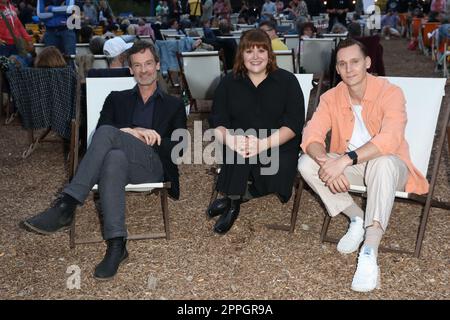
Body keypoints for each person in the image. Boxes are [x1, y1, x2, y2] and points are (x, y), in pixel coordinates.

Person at [22, 40, 187, 280]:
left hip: (153, 166)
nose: (143, 70)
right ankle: (117, 244)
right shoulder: (116, 98)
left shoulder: (172, 105)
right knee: (113, 158)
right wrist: (132, 131)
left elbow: (180, 149)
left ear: (157, 65)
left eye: (148, 64)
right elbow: (99, 137)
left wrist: (157, 138)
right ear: (130, 69)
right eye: (137, 65)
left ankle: (67, 205)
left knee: (111, 134)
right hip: (121, 162)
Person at [298, 38, 428, 292]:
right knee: (306, 163)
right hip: (353, 169)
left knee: (381, 162)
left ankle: (369, 250)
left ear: (367, 63)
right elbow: (310, 136)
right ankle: (357, 218)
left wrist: (344, 161)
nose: (349, 69)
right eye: (342, 64)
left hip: (392, 168)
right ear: (337, 69)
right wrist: (326, 163)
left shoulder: (389, 92)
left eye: (355, 62)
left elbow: (390, 139)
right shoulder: (330, 97)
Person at [207, 29, 304, 234]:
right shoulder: (228, 83)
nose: (256, 56)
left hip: (278, 143)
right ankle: (233, 204)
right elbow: (218, 122)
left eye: (261, 50)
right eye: (249, 51)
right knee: (240, 144)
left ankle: (241, 195)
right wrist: (231, 140)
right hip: (240, 142)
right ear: (241, 55)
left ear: (270, 54)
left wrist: (262, 144)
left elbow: (294, 124)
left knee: (274, 167)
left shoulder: (287, 82)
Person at [0, 0, 33, 66]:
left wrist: (28, 39)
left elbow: (19, 25)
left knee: (16, 68)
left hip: (16, 43)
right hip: (3, 45)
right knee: (3, 68)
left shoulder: (12, 7)